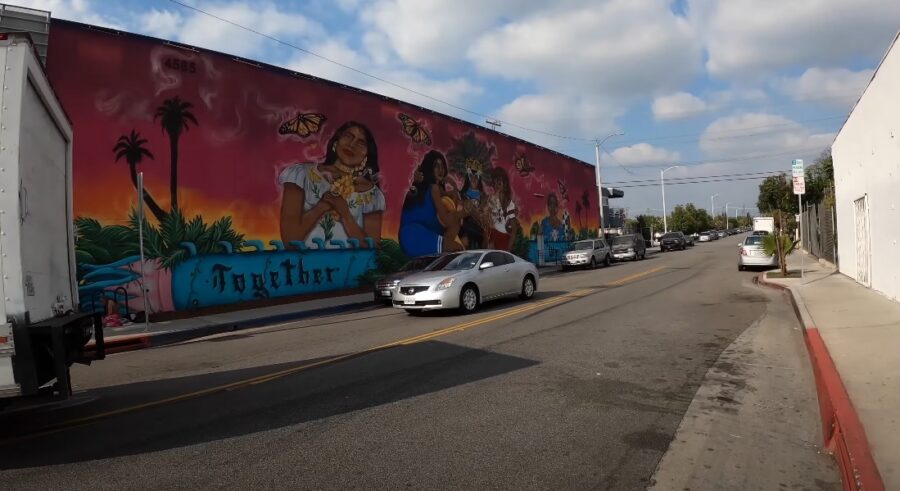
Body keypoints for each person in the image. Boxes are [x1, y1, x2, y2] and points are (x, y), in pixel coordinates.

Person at [279, 121, 384, 247]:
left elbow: (373, 250)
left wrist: (345, 213)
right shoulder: (301, 175)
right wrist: (322, 206)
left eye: (361, 143)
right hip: (303, 265)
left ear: (367, 155)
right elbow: (289, 238)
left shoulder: (372, 195)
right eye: (348, 136)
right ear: (335, 142)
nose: (352, 144)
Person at [399, 150, 465, 256]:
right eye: (436, 166)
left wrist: (454, 185)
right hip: (414, 234)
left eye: (442, 166)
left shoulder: (436, 190)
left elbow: (452, 204)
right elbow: (446, 219)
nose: (440, 170)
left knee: (455, 224)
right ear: (430, 168)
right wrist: (465, 212)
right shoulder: (433, 188)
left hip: (412, 235)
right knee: (457, 248)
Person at [489, 167, 519, 251]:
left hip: (503, 237)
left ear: (504, 184)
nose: (496, 186)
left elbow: (514, 229)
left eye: (499, 183)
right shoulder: (492, 200)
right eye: (494, 183)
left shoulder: (509, 204)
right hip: (492, 235)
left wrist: (509, 247)